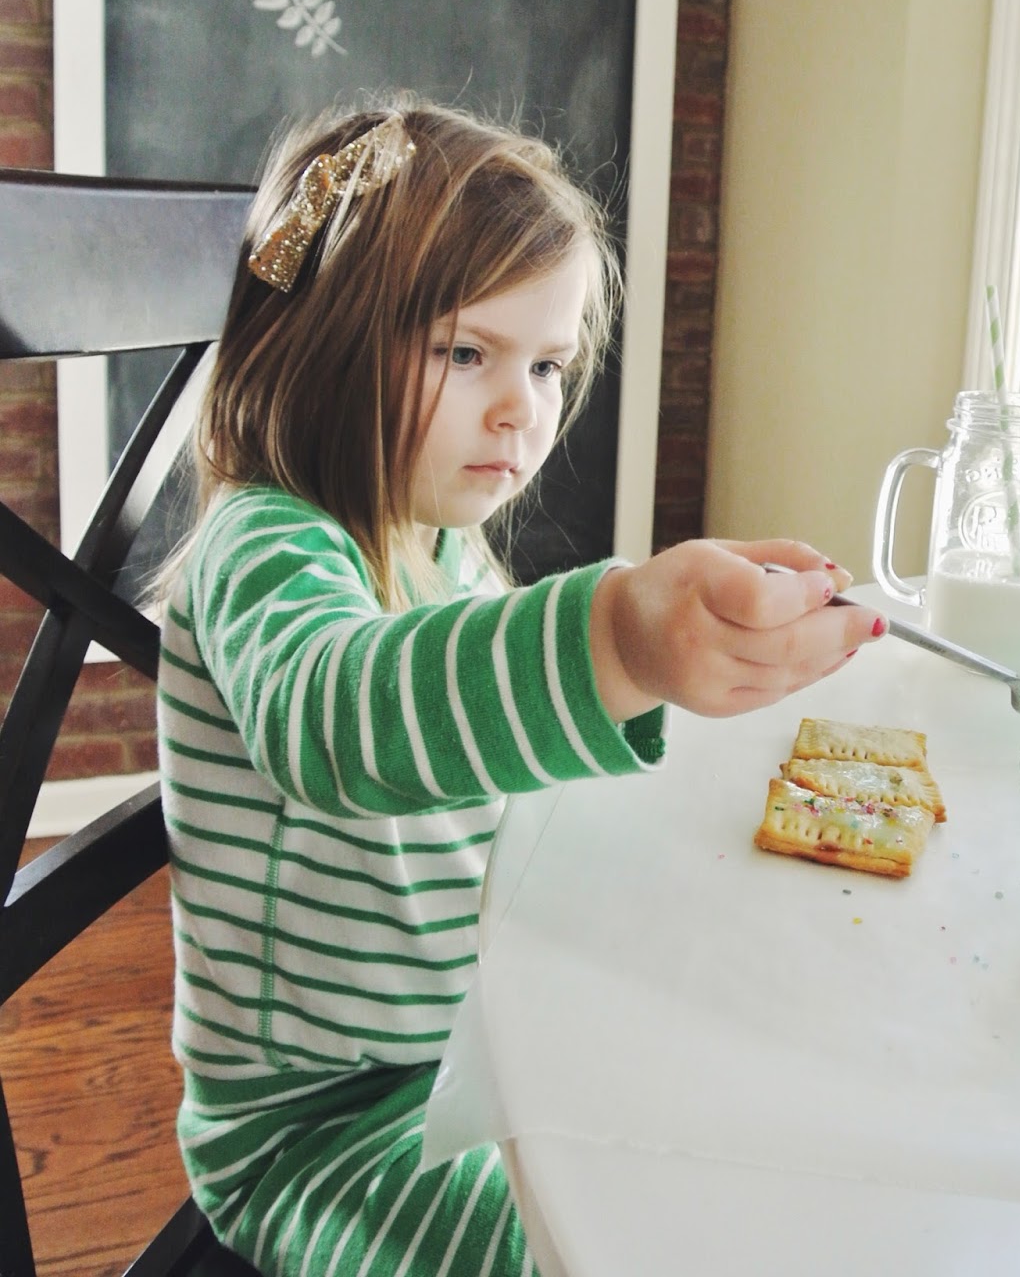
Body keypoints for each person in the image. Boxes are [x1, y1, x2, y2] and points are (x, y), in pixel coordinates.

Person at [156, 95, 887, 1277]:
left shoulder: (444, 542)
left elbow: (496, 759)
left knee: (740, 1144)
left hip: (483, 1038)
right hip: (324, 1127)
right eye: (466, 353)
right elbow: (335, 717)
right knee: (598, 1244)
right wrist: (615, 642)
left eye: (547, 364)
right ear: (325, 340)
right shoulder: (268, 541)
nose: (523, 408)